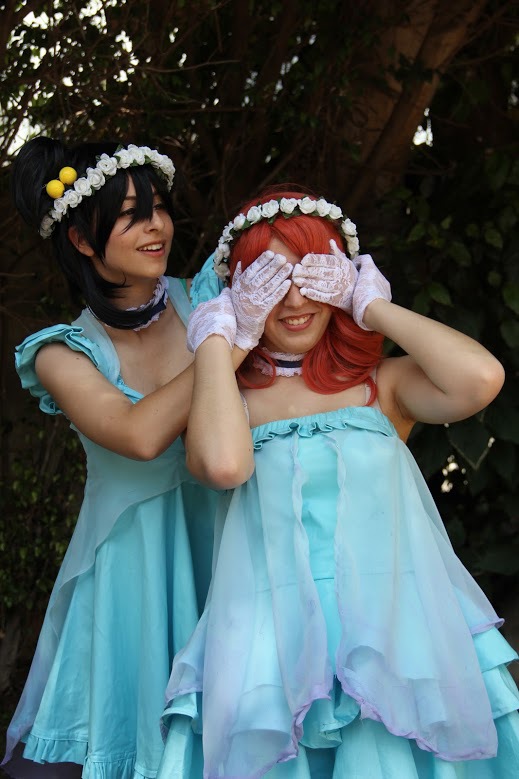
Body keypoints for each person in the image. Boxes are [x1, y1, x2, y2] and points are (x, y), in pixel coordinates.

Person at [157, 189, 519, 778]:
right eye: (271, 280)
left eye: (311, 275)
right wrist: (224, 340)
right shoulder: (229, 400)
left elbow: (480, 379)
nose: (294, 299)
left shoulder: (382, 385)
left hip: (395, 630)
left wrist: (369, 305)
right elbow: (222, 467)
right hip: (272, 643)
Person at [1, 137, 232, 778]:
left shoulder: (208, 297)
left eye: (159, 208)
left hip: (231, 536)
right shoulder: (60, 353)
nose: (156, 226)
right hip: (134, 571)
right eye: (131, 215)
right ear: (81, 239)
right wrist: (230, 341)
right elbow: (139, 435)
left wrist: (228, 321)